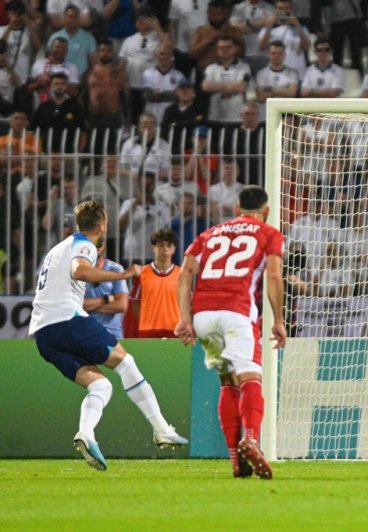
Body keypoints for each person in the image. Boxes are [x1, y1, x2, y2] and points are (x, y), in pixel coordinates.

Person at [29, 200, 187, 471]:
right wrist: (125, 273)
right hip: (67, 319)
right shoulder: (84, 245)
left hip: (43, 334)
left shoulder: (58, 248)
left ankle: (86, 434)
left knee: (101, 385)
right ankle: (161, 428)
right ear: (102, 225)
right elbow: (79, 270)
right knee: (126, 363)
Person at [175, 185, 286, 479]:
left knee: (227, 383)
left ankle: (236, 459)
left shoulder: (209, 234)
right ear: (267, 211)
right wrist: (279, 320)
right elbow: (274, 275)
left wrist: (185, 319)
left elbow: (186, 272)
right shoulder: (269, 233)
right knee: (251, 377)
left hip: (203, 317)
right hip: (236, 314)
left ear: (236, 209)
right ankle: (250, 437)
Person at [129, 228, 181, 338]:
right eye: (161, 245)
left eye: (169, 245)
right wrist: (146, 322)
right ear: (154, 248)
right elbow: (136, 303)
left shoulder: (181, 274)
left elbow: (187, 303)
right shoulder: (142, 273)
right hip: (148, 332)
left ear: (174, 249)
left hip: (175, 331)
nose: (165, 249)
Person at [83, 241, 129, 339]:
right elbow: (73, 305)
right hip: (85, 333)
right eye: (94, 242)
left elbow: (122, 305)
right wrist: (105, 300)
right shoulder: (78, 271)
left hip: (112, 334)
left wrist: (88, 306)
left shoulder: (116, 269)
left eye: (100, 242)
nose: (98, 246)